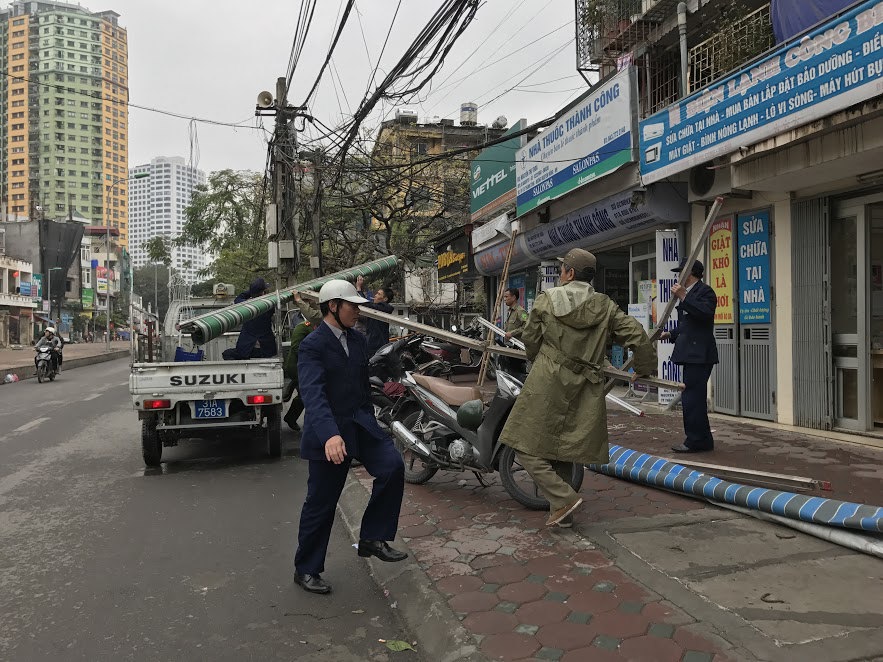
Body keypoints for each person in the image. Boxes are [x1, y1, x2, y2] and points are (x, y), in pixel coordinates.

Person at [498, 248, 656, 527]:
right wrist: (643, 369)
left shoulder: (547, 299)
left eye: (562, 270)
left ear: (570, 273)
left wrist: (538, 360)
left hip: (548, 379)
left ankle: (563, 499)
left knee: (521, 442)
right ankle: (562, 512)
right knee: (563, 447)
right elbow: (639, 338)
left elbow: (532, 340)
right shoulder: (605, 306)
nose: (560, 275)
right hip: (586, 385)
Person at [293, 279, 407, 595]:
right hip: (329, 433)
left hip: (361, 424)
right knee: (321, 503)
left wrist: (386, 400)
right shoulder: (312, 345)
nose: (357, 311)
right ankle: (306, 569)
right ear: (333, 306)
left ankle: (372, 538)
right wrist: (329, 435)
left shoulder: (357, 340)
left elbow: (362, 385)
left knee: (392, 466)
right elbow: (313, 394)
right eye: (352, 306)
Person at [661, 258, 718, 453]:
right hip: (691, 353)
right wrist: (670, 334)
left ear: (690, 273)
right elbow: (688, 324)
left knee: (692, 398)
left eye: (681, 273)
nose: (678, 277)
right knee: (693, 398)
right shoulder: (690, 294)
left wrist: (684, 296)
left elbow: (704, 313)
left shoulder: (705, 292)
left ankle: (695, 440)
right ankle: (703, 439)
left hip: (700, 353)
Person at [282, 292, 322, 433]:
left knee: (306, 393)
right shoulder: (302, 326)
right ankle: (292, 418)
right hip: (297, 366)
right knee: (307, 394)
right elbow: (296, 348)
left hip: (307, 366)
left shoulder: (315, 325)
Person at [222, 277, 277, 360]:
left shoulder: (244, 305)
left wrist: (252, 292)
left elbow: (239, 297)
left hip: (246, 349)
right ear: (263, 292)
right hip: (266, 349)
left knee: (227, 354)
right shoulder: (269, 305)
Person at [361, 286, 394, 357]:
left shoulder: (383, 308)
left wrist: (359, 289)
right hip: (375, 345)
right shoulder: (378, 309)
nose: (375, 295)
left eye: (379, 294)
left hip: (377, 346)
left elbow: (366, 305)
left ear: (385, 299)